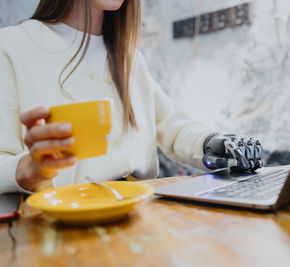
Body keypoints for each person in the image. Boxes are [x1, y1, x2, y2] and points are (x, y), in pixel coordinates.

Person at [0, 0, 263, 194]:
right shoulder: (11, 48)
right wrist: (27, 170)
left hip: (141, 216)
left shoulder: (130, 59)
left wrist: (214, 143)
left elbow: (172, 125)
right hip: (59, 230)